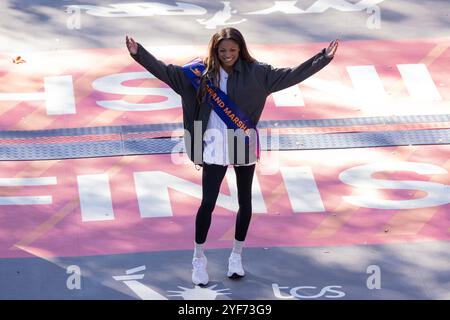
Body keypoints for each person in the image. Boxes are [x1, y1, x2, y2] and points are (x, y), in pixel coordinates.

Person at [126, 28, 338, 286]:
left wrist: (322, 58)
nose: (228, 55)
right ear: (214, 50)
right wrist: (139, 54)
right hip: (211, 143)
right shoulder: (198, 74)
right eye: (223, 50)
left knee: (245, 202)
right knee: (208, 203)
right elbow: (165, 72)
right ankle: (198, 258)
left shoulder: (258, 73)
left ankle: (236, 256)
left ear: (241, 50)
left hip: (241, 141)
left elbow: (291, 76)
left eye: (233, 50)